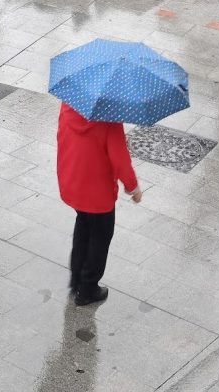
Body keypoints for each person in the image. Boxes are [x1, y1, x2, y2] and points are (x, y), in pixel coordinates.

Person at [56, 102, 142, 306]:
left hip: (74, 182)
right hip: (98, 191)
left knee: (83, 225)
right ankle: (88, 289)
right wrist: (134, 188)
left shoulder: (69, 104)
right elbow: (119, 158)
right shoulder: (108, 116)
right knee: (100, 237)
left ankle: (76, 278)